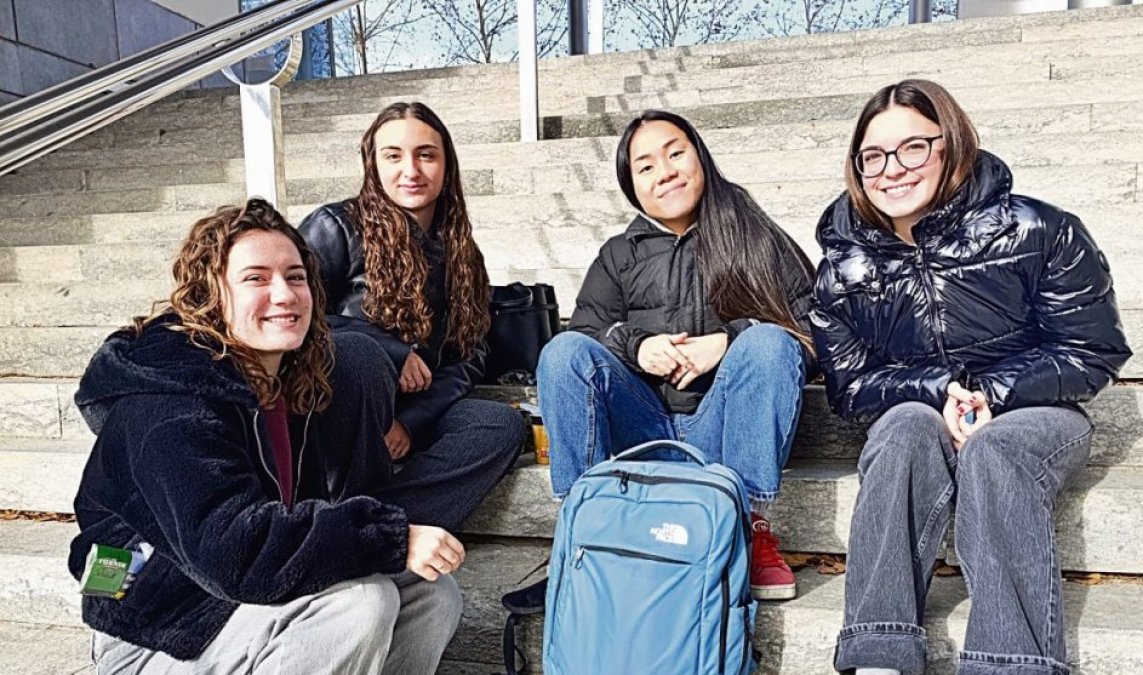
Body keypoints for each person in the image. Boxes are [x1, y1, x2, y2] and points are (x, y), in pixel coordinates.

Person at [809, 80, 1132, 675]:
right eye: (873, 156)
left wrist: (992, 394)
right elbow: (851, 387)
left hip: (1035, 410)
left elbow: (1092, 349)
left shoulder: (1038, 230)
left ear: (950, 143)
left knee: (994, 447)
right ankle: (878, 652)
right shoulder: (841, 271)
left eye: (913, 148)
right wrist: (936, 390)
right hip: (925, 412)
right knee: (902, 428)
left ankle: (1011, 663)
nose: (892, 170)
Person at [69, 199, 467, 674]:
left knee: (430, 592)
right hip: (153, 632)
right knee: (358, 605)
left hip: (231, 603)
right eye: (256, 278)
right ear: (211, 296)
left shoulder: (288, 380)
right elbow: (233, 549)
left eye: (295, 276)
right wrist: (387, 536)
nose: (284, 294)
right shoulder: (166, 403)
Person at [536, 110, 819, 601]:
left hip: (721, 428)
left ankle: (747, 528)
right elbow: (585, 335)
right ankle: (583, 528)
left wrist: (728, 341)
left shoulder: (753, 235)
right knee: (562, 353)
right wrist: (637, 346)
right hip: (639, 428)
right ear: (632, 186)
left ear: (700, 157)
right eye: (645, 166)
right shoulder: (617, 255)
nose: (664, 171)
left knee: (770, 342)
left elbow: (814, 329)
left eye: (675, 153)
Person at [299, 102, 524, 530]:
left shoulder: (461, 249)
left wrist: (410, 420)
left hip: (416, 409)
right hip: (343, 404)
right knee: (358, 354)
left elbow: (470, 351)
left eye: (426, 154)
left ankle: (372, 527)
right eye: (393, 155)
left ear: (446, 164)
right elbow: (294, 317)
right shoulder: (336, 226)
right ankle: (352, 521)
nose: (411, 170)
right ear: (373, 163)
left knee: (498, 424)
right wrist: (392, 350)